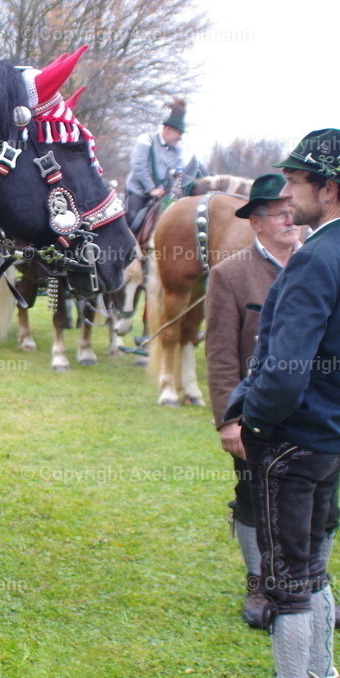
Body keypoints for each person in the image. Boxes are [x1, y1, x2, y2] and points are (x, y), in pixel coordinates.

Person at [226, 129, 340, 678]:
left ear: (330, 187)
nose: (287, 195)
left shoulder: (315, 259)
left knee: (288, 586)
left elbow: (284, 369)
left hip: (294, 443)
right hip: (329, 441)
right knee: (313, 570)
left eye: (295, 181)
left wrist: (255, 421)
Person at [205, 173, 301, 629]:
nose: (291, 219)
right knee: (252, 499)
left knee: (316, 504)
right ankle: (259, 583)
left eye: (293, 211)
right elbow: (221, 354)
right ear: (256, 221)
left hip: (316, 413)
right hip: (257, 414)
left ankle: (306, 583)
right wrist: (229, 420)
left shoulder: (322, 264)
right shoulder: (229, 275)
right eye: (280, 213)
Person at [124, 98, 207, 233]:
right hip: (139, 191)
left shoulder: (177, 150)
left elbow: (176, 172)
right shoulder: (147, 140)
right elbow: (139, 166)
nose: (180, 137)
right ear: (168, 130)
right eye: (179, 133)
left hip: (162, 194)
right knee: (132, 221)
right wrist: (151, 189)